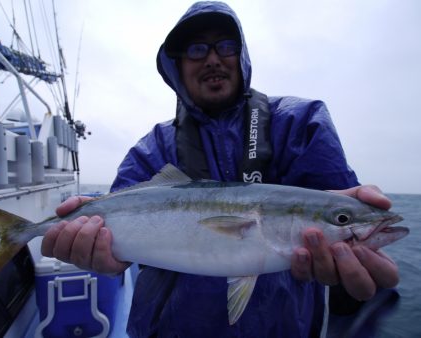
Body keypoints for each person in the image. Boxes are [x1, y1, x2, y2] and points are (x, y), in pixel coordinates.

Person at [42, 2, 399, 337]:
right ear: (177, 65)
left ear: (241, 56)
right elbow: (116, 237)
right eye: (197, 49)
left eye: (225, 46)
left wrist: (345, 251)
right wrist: (105, 257)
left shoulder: (301, 123)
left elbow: (338, 226)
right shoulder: (150, 150)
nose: (212, 58)